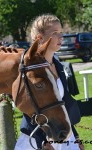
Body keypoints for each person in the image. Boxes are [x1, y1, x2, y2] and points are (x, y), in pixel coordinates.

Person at [15, 14, 84, 150]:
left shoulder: (58, 65)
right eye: (55, 33)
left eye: (61, 33)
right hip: (37, 138)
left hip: (64, 135)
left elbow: (63, 106)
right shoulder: (29, 68)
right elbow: (28, 109)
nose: (61, 37)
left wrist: (75, 137)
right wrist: (43, 142)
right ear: (40, 38)